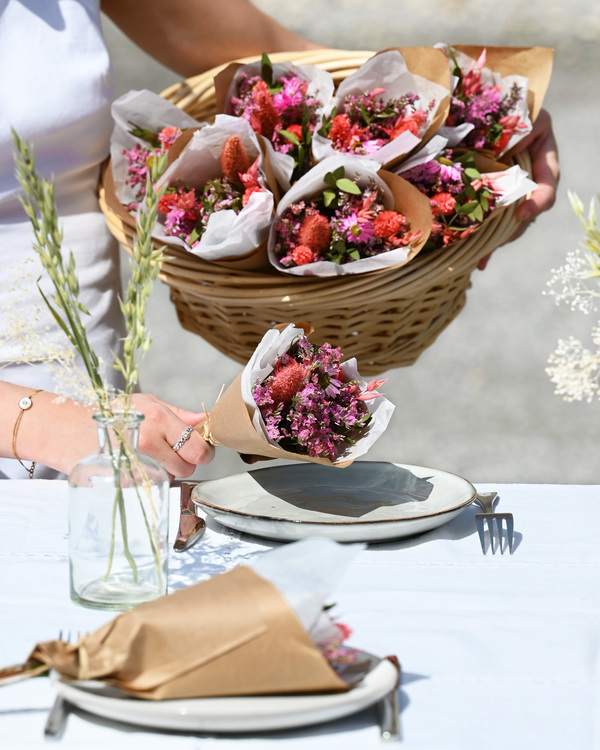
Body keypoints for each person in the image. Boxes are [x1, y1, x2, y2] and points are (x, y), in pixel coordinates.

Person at [0, 0, 559, 480]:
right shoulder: (58, 427)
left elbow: (231, 40)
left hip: (95, 410)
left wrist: (464, 119)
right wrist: (43, 423)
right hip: (50, 429)